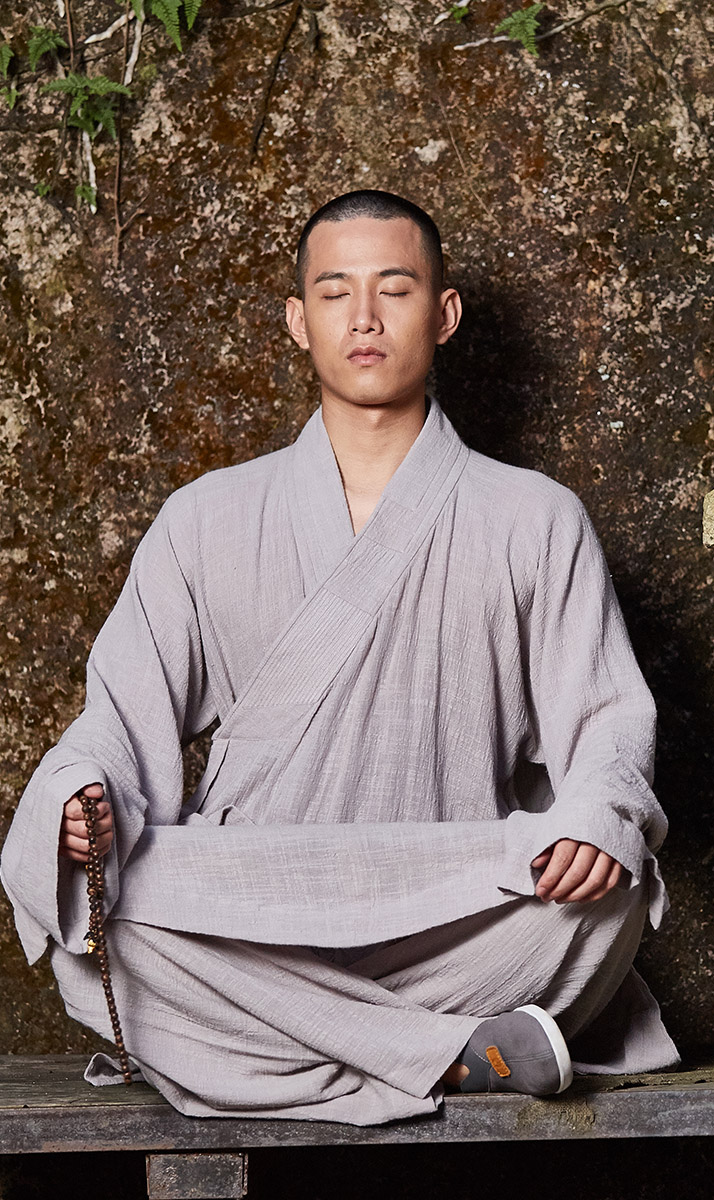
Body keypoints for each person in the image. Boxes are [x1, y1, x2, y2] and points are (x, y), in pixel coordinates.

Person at [0, 189, 679, 1126]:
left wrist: (599, 817)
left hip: (448, 903)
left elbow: (605, 721)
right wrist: (84, 798)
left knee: (614, 889)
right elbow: (117, 719)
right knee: (93, 909)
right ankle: (452, 1054)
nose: (364, 318)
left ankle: (271, 1047)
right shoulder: (205, 519)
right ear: (298, 320)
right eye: (334, 293)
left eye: (394, 290)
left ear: (443, 314)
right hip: (249, 904)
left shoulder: (535, 517)